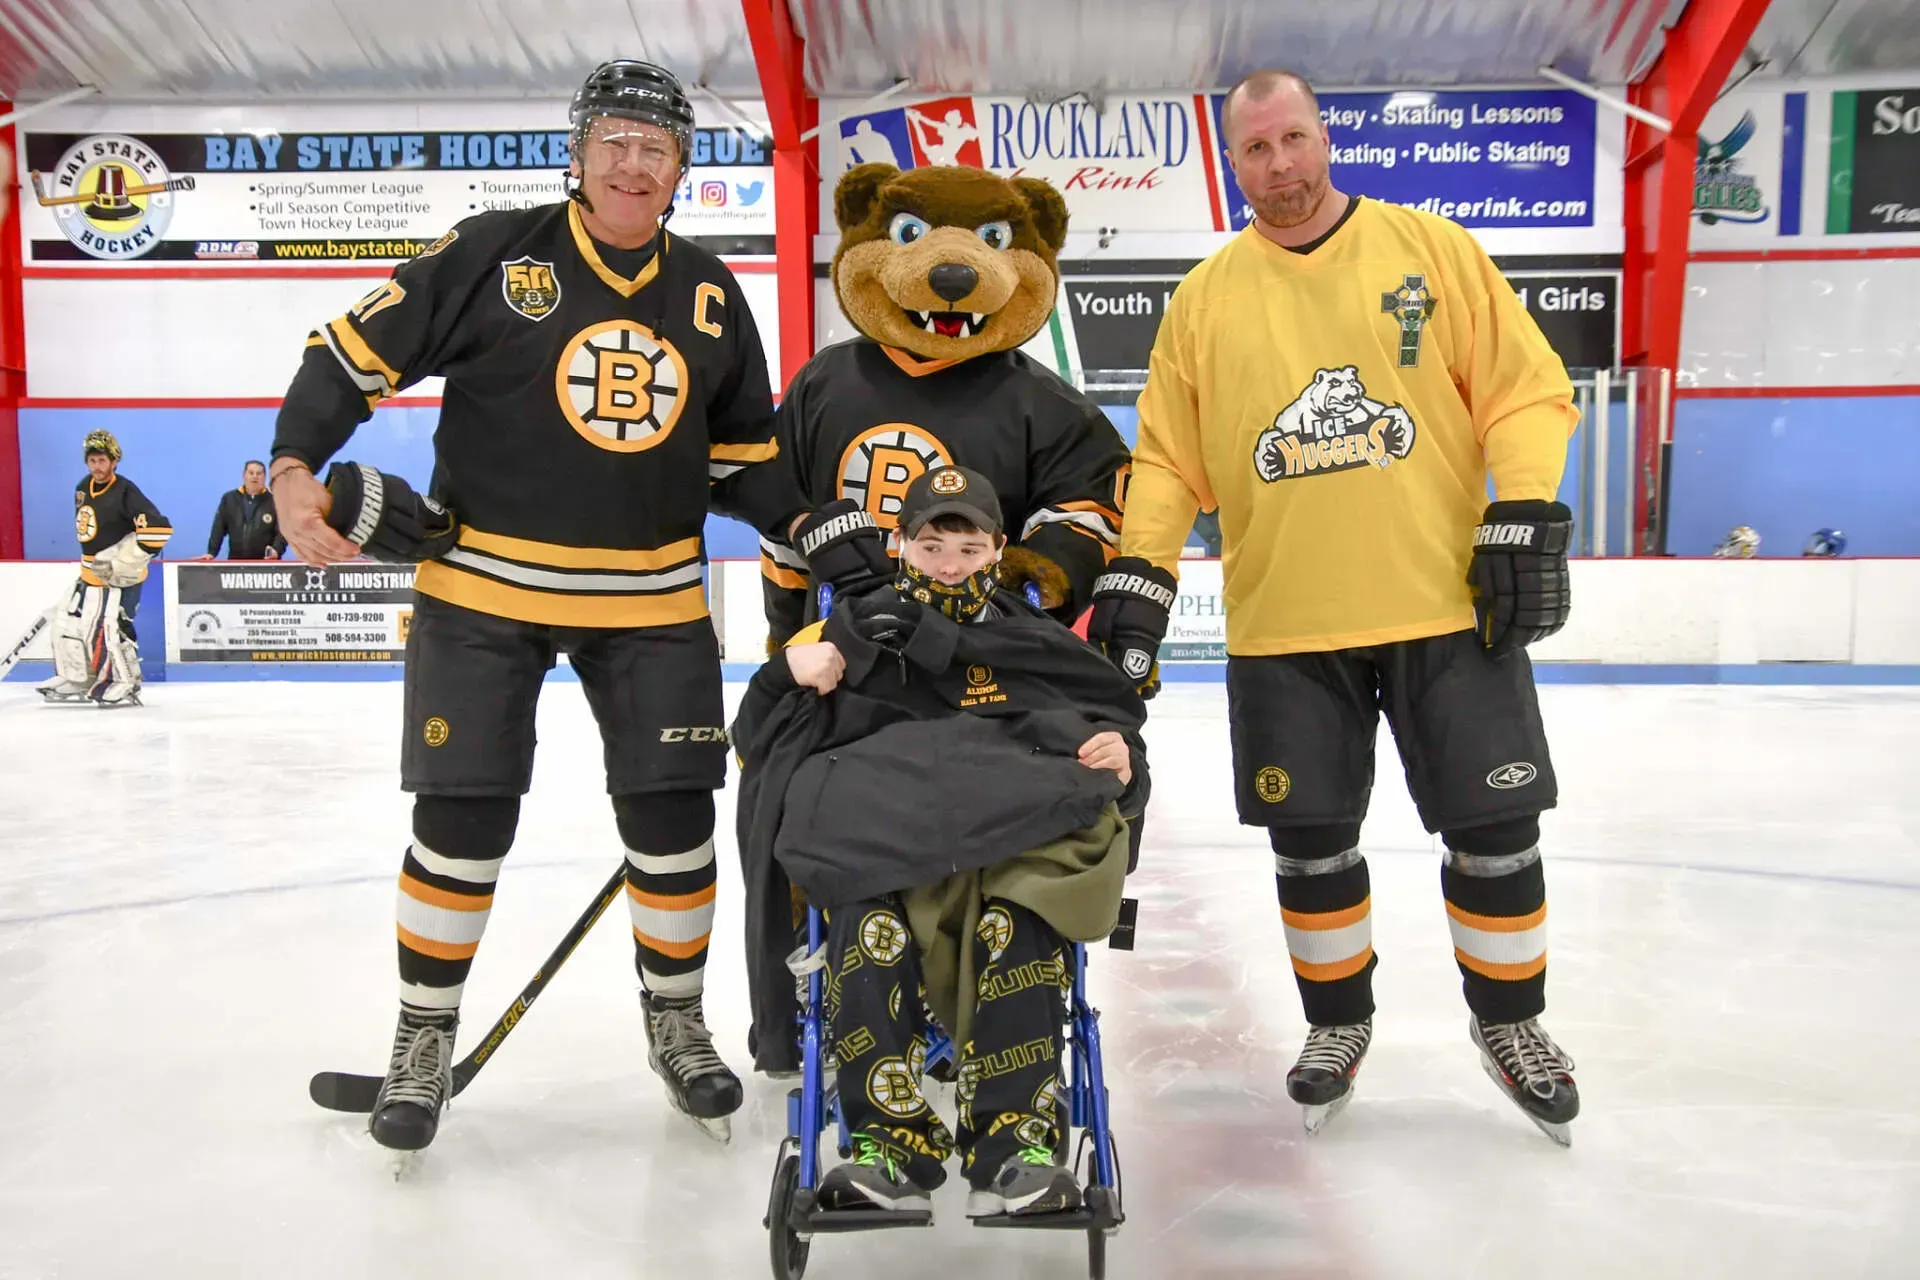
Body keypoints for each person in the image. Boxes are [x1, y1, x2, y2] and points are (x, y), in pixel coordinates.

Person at [268, 59, 806, 1153]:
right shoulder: (491, 251)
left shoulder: (711, 291)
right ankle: (423, 1037)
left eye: (655, 147)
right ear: (577, 150)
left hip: (652, 597)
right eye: (614, 140)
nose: (632, 163)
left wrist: (821, 526)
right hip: (482, 590)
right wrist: (290, 469)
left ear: (682, 170)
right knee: (461, 820)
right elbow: (347, 356)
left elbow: (744, 460)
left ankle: (677, 1023)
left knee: (674, 821)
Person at [1089, 70, 1582, 1144]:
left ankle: (1513, 1022)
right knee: (1310, 842)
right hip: (1285, 626)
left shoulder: (1430, 249)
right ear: (1234, 164)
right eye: (1256, 149)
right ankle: (1337, 1024)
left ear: (1324, 136)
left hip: (1446, 611)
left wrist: (1522, 506)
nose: (1282, 165)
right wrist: (1140, 571)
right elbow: (1167, 459)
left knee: (1496, 831)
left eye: (1295, 138)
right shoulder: (1206, 298)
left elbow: (1525, 391)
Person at [733, 466, 1148, 1217]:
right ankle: (887, 1151)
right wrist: (780, 675)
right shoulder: (844, 637)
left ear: (998, 550)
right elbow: (757, 748)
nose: (950, 565)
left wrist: (1124, 758)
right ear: (899, 546)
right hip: (883, 847)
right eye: (931, 547)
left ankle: (1016, 1151)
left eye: (968, 548)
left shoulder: (1037, 643)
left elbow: (1116, 740)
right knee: (868, 923)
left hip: (1009, 850)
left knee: (1021, 918)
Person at [39, 428, 171, 706]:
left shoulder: (126, 491)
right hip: (89, 576)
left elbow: (158, 530)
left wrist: (121, 563)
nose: (97, 467)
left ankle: (125, 681)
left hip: (118, 580)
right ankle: (79, 677)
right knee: (71, 625)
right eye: (92, 461)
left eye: (102, 461)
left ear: (114, 461)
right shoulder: (82, 488)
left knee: (112, 629)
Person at [200, 460, 285, 560]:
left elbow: (283, 532)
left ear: (265, 477)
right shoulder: (230, 499)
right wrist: (211, 552)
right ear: (244, 475)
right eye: (251, 473)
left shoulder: (275, 501)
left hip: (265, 563)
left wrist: (276, 550)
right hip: (235, 562)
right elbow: (218, 528)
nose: (255, 476)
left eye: (259, 473)